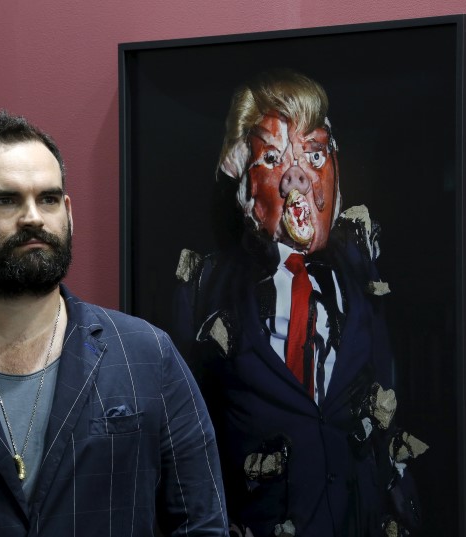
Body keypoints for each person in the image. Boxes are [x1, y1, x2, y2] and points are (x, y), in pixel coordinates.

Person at [0, 111, 228, 536]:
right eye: (5, 200)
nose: (33, 217)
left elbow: (203, 525)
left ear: (67, 210)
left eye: (48, 199)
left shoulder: (147, 355)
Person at [173, 70, 426, 536]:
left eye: (313, 154)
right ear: (242, 180)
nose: (298, 177)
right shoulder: (203, 290)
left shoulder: (365, 280)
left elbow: (389, 432)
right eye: (272, 158)